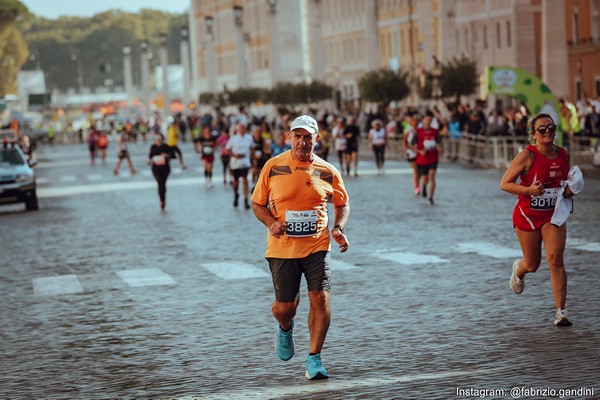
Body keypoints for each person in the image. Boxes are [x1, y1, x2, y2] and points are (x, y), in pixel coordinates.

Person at [251, 115, 350, 381]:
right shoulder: (273, 167)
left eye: (308, 137)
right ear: (289, 137)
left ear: (316, 140)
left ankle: (314, 358)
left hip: (317, 245)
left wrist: (338, 228)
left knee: (321, 297)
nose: (303, 142)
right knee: (285, 308)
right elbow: (257, 203)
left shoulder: (328, 170)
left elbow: (342, 203)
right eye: (298, 136)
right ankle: (285, 327)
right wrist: (271, 223)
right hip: (282, 248)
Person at [500, 113, 576, 327]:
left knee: (556, 259)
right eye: (541, 129)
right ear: (533, 134)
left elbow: (566, 182)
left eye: (551, 127)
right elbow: (505, 183)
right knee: (533, 264)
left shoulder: (564, 154)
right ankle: (519, 269)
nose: (547, 131)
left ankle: (561, 312)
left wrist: (570, 190)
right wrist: (528, 190)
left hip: (554, 215)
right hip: (527, 215)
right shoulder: (527, 156)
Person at [410, 113, 441, 205]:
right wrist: (419, 151)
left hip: (433, 157)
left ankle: (431, 197)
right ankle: (423, 186)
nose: (428, 121)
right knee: (425, 178)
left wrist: (439, 148)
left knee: (432, 175)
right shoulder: (418, 132)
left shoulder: (435, 132)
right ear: (423, 121)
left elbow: (438, 143)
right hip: (422, 159)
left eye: (429, 120)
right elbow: (411, 144)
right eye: (426, 120)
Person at [225, 122, 254, 209]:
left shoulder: (249, 138)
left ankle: (245, 200)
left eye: (243, 128)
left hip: (245, 162)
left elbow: (252, 148)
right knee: (236, 182)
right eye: (240, 128)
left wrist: (253, 159)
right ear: (237, 130)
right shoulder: (233, 139)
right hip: (235, 163)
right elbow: (227, 149)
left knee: (245, 180)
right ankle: (236, 194)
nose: (242, 130)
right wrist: (234, 155)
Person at [148, 133, 174, 210]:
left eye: (159, 138)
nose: (158, 140)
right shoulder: (153, 147)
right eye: (156, 139)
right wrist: (149, 160)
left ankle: (163, 198)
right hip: (156, 168)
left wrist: (167, 155)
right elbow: (150, 156)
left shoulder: (166, 147)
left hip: (165, 168)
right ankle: (162, 200)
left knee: (163, 184)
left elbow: (173, 155)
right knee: (160, 183)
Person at [403, 114, 420, 194]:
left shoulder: (421, 128)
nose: (415, 122)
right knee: (416, 170)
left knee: (421, 171)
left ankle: (419, 183)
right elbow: (405, 140)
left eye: (417, 120)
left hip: (420, 151)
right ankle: (416, 186)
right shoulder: (408, 129)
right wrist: (406, 150)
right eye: (414, 120)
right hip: (411, 151)